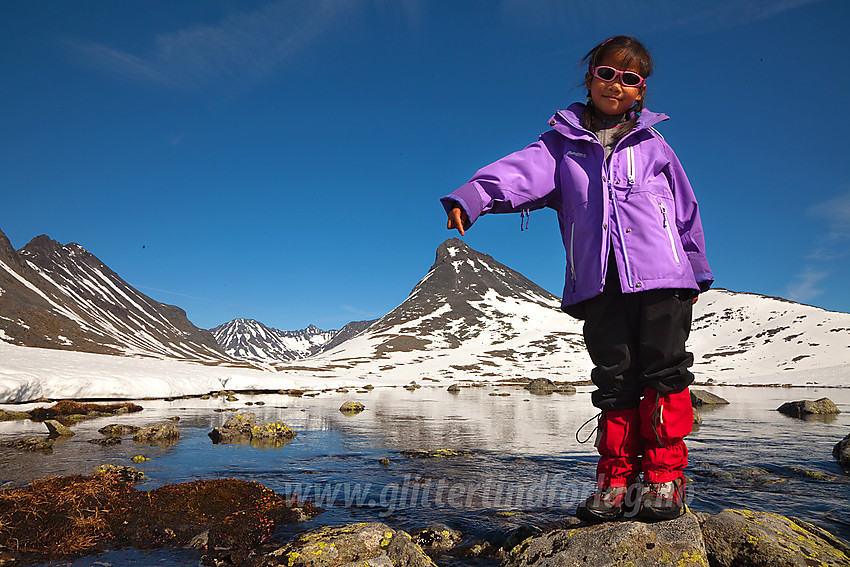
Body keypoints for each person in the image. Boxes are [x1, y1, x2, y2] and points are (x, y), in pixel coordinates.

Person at [440, 35, 712, 523]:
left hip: (664, 280)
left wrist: (695, 269)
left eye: (629, 79)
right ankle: (615, 481)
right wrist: (474, 196)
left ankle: (665, 479)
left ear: (641, 92)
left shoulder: (655, 147)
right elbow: (518, 174)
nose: (616, 84)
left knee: (664, 373)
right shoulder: (560, 148)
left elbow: (686, 212)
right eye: (607, 73)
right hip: (598, 283)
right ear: (590, 78)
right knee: (614, 380)